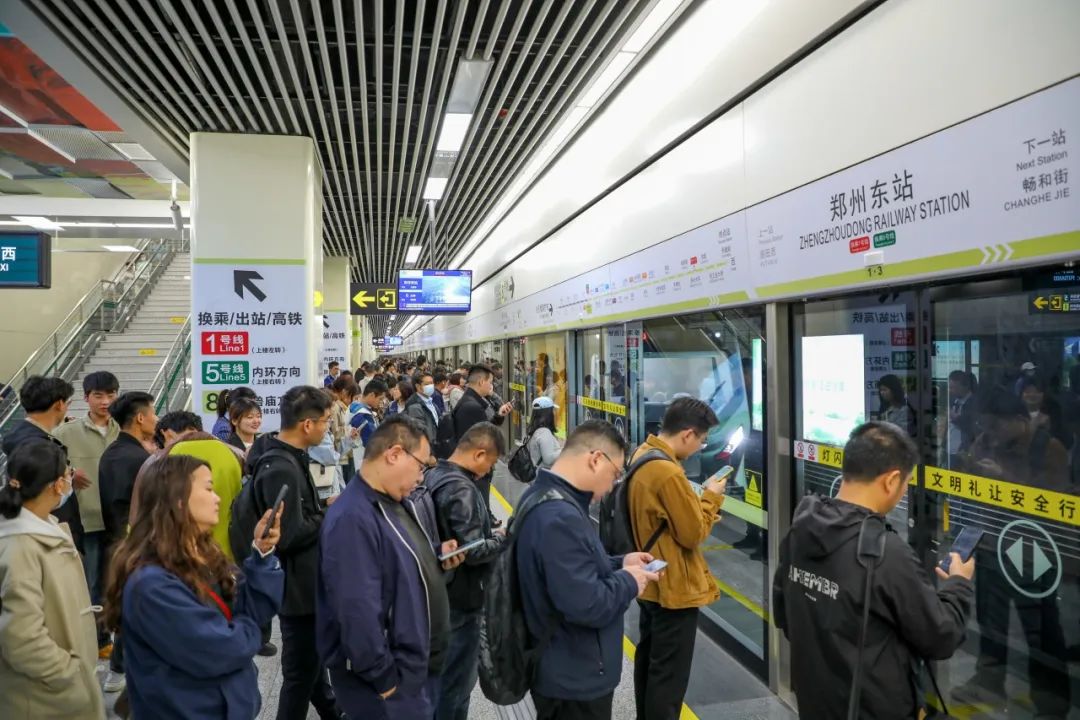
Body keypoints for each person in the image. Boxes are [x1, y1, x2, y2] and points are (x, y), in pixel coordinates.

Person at [773, 421, 975, 719]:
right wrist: (959, 584)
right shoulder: (885, 552)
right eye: (906, 483)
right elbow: (941, 636)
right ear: (891, 480)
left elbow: (784, 616)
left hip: (816, 701)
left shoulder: (801, 529)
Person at [103, 455, 284, 720]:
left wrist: (262, 553)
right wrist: (249, 630)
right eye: (208, 489)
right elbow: (221, 650)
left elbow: (256, 608)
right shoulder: (151, 584)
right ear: (178, 498)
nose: (217, 498)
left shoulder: (204, 556)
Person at [318, 415, 463, 720]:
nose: (421, 477)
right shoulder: (353, 518)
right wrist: (384, 680)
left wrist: (434, 557)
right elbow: (355, 609)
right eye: (420, 466)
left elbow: (392, 564)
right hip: (390, 687)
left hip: (412, 672)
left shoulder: (391, 502)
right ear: (395, 454)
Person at [516, 421, 660, 720]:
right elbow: (587, 604)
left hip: (563, 665)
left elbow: (572, 569)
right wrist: (629, 581)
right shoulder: (559, 517)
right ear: (596, 459)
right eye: (615, 475)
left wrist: (620, 563)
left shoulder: (546, 497)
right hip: (573, 678)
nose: (611, 486)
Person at [950, 389, 1071, 715]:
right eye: (985, 425)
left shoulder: (1048, 448)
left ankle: (1050, 701)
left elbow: (1055, 501)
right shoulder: (985, 441)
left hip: (1030, 549)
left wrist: (1004, 478)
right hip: (991, 541)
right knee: (990, 620)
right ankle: (988, 684)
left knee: (1040, 628)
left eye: (995, 426)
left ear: (1019, 420)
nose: (989, 433)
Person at [628, 397, 728, 720]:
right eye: (701, 440)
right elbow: (693, 533)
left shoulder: (643, 453)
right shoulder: (668, 472)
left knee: (649, 661)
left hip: (651, 579)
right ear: (687, 434)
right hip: (674, 589)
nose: (700, 447)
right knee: (669, 678)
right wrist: (711, 497)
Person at [249, 386, 341, 720]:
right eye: (325, 421)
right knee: (300, 674)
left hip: (305, 582)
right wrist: (328, 513)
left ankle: (333, 711)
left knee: (310, 664)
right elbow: (287, 536)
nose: (327, 428)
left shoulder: (288, 456)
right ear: (307, 424)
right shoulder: (282, 467)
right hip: (298, 588)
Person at [0, 441, 105, 720]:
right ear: (58, 485)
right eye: (68, 473)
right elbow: (21, 638)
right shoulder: (20, 545)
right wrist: (70, 675)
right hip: (45, 699)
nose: (71, 479)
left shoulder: (44, 527)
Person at [425, 422, 508, 720]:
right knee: (456, 687)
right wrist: (504, 538)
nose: (489, 470)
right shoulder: (461, 488)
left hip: (441, 596)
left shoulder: (434, 474)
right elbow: (472, 552)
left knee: (441, 683)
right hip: (462, 602)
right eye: (491, 463)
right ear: (479, 453)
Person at [98, 390, 157, 693]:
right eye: (153, 413)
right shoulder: (137, 459)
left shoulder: (113, 452)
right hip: (135, 544)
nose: (156, 419)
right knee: (136, 611)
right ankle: (123, 672)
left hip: (119, 542)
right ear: (140, 418)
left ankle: (119, 669)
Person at [52, 371, 119, 623]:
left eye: (111, 395)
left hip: (120, 522)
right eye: (98, 396)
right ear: (86, 398)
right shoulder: (64, 434)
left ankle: (114, 633)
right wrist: (70, 473)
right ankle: (93, 635)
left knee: (120, 582)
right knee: (89, 584)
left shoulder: (125, 430)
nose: (105, 402)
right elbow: (52, 473)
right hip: (86, 522)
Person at [1, 376, 83, 553]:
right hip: (49, 536)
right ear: (59, 404)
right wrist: (68, 480)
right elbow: (41, 494)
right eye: (68, 403)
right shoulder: (38, 446)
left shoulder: (21, 435)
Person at [455, 365, 514, 526]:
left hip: (476, 463)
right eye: (490, 382)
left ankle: (486, 516)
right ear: (481, 381)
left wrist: (499, 415)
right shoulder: (472, 406)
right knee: (480, 493)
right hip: (476, 465)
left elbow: (486, 425)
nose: (491, 386)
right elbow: (479, 437)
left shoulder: (472, 401)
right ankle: (484, 521)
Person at [946, 370, 978, 468]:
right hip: (950, 448)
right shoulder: (953, 400)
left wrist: (956, 418)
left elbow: (973, 427)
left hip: (963, 451)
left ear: (965, 386)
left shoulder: (974, 403)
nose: (950, 390)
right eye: (950, 387)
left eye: (954, 388)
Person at [403, 371, 440, 441]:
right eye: (427, 384)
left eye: (432, 383)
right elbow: (419, 432)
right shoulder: (414, 405)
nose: (431, 386)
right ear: (418, 386)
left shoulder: (430, 401)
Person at [527, 396, 562, 470]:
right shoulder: (544, 433)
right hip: (544, 475)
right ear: (548, 414)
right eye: (553, 410)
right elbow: (548, 459)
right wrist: (565, 450)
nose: (555, 413)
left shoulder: (537, 430)